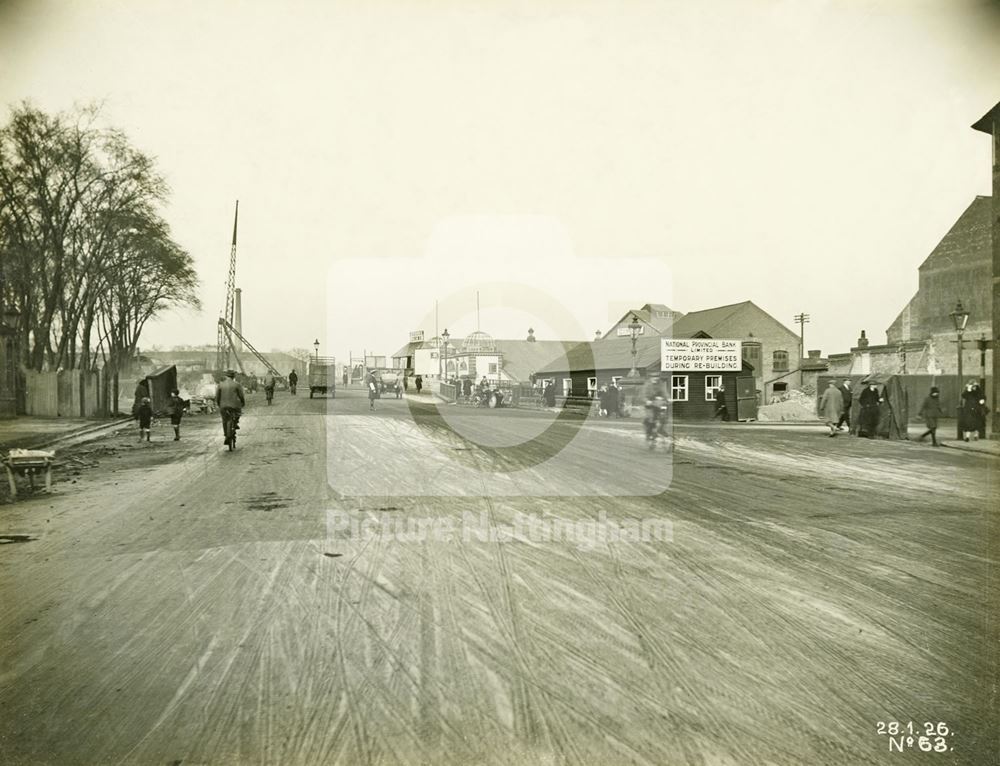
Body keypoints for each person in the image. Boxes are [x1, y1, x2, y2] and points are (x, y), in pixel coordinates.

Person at [215, 369, 246, 446]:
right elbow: (241, 396)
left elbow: (217, 397)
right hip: (234, 406)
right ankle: (235, 423)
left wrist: (219, 404)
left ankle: (226, 435)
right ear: (233, 376)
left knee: (224, 420)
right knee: (238, 413)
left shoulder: (220, 385)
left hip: (223, 406)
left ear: (226, 376)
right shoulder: (237, 384)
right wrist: (243, 402)